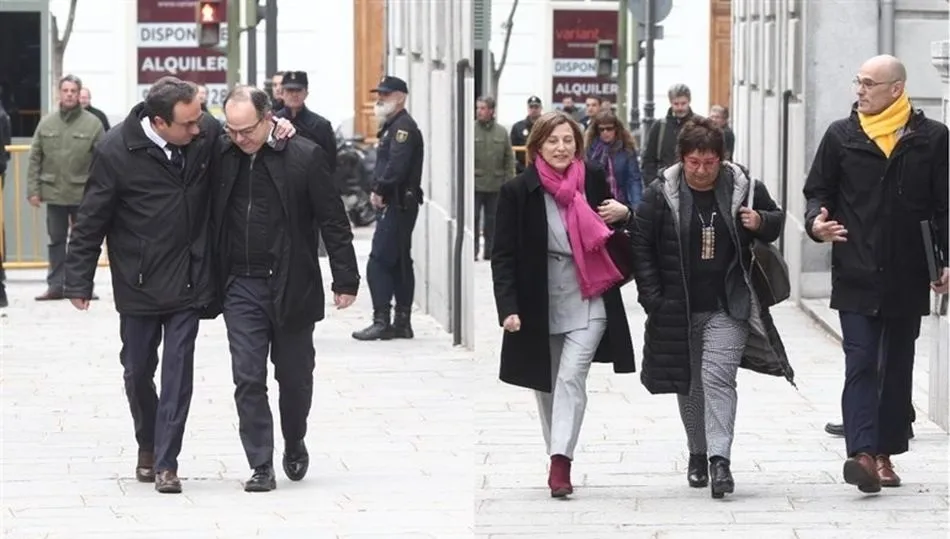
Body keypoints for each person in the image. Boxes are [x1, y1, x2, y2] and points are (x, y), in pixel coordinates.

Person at [64, 76, 295, 494]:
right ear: (159, 121)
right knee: (137, 372)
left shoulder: (203, 133)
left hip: (190, 277)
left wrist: (278, 125)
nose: (199, 128)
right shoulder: (116, 150)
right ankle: (148, 444)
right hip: (138, 281)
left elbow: (247, 131)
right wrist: (77, 278)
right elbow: (92, 217)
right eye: (189, 123)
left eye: (200, 119)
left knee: (177, 372)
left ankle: (167, 462)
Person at [802, 54, 948, 494]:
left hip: (907, 272)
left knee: (897, 366)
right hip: (856, 269)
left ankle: (885, 453)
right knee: (862, 360)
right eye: (858, 82)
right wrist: (815, 224)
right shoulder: (841, 136)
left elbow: (944, 206)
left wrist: (944, 261)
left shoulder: (932, 139)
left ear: (896, 89)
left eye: (868, 83)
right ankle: (862, 453)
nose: (859, 91)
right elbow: (818, 192)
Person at [631, 117, 794, 499]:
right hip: (679, 305)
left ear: (722, 158)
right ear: (682, 159)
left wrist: (760, 221)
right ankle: (697, 452)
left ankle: (720, 460)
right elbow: (641, 246)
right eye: (694, 163)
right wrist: (653, 298)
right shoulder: (661, 194)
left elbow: (775, 222)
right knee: (690, 383)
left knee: (718, 378)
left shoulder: (744, 187)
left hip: (729, 302)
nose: (702, 171)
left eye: (710, 162)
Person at [214, 86, 360, 492]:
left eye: (246, 130)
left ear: (268, 119)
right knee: (247, 376)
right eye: (231, 130)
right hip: (240, 284)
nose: (239, 138)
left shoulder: (304, 157)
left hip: (292, 283)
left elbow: (332, 219)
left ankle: (294, 439)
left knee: (295, 378)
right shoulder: (221, 154)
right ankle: (260, 463)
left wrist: (345, 278)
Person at [491, 111, 636, 498]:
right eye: (553, 141)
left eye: (568, 140)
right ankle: (558, 450)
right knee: (547, 385)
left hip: (590, 292)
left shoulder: (589, 177)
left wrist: (625, 214)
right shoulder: (518, 191)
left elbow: (612, 221)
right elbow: (502, 255)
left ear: (578, 144)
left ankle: (560, 463)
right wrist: (508, 307)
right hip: (540, 299)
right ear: (538, 145)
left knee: (572, 377)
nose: (561, 147)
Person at [352, 76, 424, 341]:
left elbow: (397, 165)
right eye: (379, 93)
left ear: (401, 97)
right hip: (400, 202)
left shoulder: (403, 127)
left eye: (386, 94)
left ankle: (382, 320)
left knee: (379, 262)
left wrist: (379, 190)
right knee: (400, 262)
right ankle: (402, 322)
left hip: (397, 202)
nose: (380, 98)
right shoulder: (394, 125)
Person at [27, 74, 104, 301]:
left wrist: (101, 193)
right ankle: (56, 285)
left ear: (79, 94)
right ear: (59, 93)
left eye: (73, 91)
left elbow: (104, 161)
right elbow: (35, 157)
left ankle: (82, 287)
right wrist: (33, 190)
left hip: (84, 195)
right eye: (65, 90)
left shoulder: (93, 124)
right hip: (55, 193)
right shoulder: (47, 123)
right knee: (56, 241)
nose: (69, 94)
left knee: (84, 242)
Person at [474, 95, 515, 261]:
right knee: (474, 219)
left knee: (493, 221)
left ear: (492, 111)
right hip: (475, 185)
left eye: (483, 108)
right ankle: (473, 250)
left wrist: (509, 182)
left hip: (496, 185)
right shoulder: (471, 129)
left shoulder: (501, 132)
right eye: (478, 108)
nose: (479, 112)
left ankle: (490, 252)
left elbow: (508, 158)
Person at [640, 83, 699, 182]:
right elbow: (648, 158)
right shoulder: (659, 126)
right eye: (676, 104)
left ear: (689, 101)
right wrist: (652, 182)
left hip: (692, 182)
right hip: (664, 183)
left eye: (683, 103)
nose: (680, 108)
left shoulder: (699, 125)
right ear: (670, 103)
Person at [584, 111, 643, 207]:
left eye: (609, 128)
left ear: (616, 129)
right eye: (601, 129)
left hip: (621, 201)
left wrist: (637, 207)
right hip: (595, 203)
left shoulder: (626, 149)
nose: (605, 132)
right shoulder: (591, 150)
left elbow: (634, 179)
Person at [510, 96, 543, 175]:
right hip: (523, 169)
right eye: (531, 107)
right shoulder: (518, 127)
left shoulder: (547, 126)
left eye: (536, 107)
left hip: (542, 169)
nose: (534, 110)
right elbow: (511, 148)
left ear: (541, 108)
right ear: (527, 108)